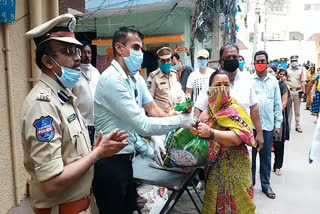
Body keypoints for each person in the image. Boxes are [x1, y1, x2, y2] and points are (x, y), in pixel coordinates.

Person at [21, 14, 128, 214]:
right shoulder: (43, 106)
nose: (78, 57)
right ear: (48, 61)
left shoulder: (64, 97)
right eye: (68, 51)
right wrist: (97, 154)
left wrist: (96, 150)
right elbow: (51, 183)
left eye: (76, 50)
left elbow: (68, 156)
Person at [93, 26, 196, 214]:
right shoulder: (111, 79)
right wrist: (180, 121)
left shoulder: (135, 79)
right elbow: (142, 123)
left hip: (127, 157)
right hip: (109, 162)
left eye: (141, 48)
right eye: (136, 47)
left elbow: (154, 110)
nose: (141, 53)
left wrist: (167, 131)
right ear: (119, 48)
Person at [196, 70, 256, 214]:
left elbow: (238, 138)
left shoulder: (236, 109)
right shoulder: (208, 113)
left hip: (236, 172)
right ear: (210, 90)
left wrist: (211, 133)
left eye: (226, 85)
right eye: (218, 85)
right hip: (215, 172)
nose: (222, 88)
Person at [194, 44, 264, 151]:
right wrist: (196, 133)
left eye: (235, 57)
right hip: (216, 142)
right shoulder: (212, 80)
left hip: (242, 142)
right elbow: (198, 108)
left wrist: (259, 133)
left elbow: (254, 108)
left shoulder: (247, 79)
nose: (232, 59)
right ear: (221, 61)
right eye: (228, 58)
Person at [252, 50, 283, 199]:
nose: (260, 63)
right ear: (254, 63)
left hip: (268, 126)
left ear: (267, 62)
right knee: (250, 157)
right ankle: (249, 185)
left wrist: (278, 124)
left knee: (266, 158)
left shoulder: (273, 81)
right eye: (257, 61)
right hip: (251, 127)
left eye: (262, 61)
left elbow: (277, 104)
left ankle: (266, 185)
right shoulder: (249, 80)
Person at [72, 41, 101, 146]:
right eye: (84, 52)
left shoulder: (96, 73)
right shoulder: (74, 73)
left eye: (89, 52)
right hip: (82, 122)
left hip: (97, 123)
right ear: (79, 53)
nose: (87, 55)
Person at [147, 47, 178, 112]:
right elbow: (149, 99)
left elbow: (178, 93)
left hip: (174, 113)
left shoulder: (174, 74)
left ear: (171, 61)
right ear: (159, 61)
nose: (166, 63)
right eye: (163, 61)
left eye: (168, 60)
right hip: (160, 116)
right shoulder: (153, 77)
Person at [273, 69, 291, 176]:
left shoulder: (283, 86)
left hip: (278, 117)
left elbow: (284, 103)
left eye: (284, 75)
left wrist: (275, 112)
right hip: (267, 118)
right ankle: (264, 166)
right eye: (280, 74)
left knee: (279, 143)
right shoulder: (269, 85)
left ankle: (278, 166)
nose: (281, 76)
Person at [285, 55, 305, 133]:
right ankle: (286, 125)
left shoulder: (301, 70)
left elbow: (303, 81)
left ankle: (297, 125)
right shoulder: (287, 70)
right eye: (293, 60)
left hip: (297, 91)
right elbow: (285, 80)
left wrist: (304, 92)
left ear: (297, 61)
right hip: (289, 92)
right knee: (288, 110)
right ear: (290, 61)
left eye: (295, 60)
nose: (294, 62)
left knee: (297, 110)